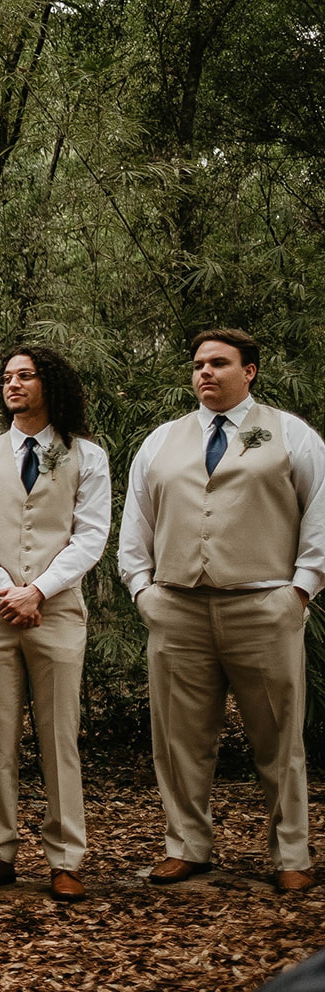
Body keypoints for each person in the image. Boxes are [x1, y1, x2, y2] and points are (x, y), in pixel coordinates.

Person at [119, 327, 322, 892]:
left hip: (264, 605)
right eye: (198, 364)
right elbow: (136, 522)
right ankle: (187, 846)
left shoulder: (291, 435)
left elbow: (320, 515)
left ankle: (291, 854)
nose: (204, 372)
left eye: (218, 363)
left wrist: (299, 591)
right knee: (179, 738)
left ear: (249, 371)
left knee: (278, 737)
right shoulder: (162, 440)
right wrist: (142, 590)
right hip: (177, 608)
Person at [0, 346, 110, 902]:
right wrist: (5, 592)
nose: (13, 384)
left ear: (51, 384)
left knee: (58, 736)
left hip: (58, 612)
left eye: (26, 375)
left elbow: (90, 535)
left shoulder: (86, 455)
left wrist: (38, 590)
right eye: (7, 377)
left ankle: (66, 857)